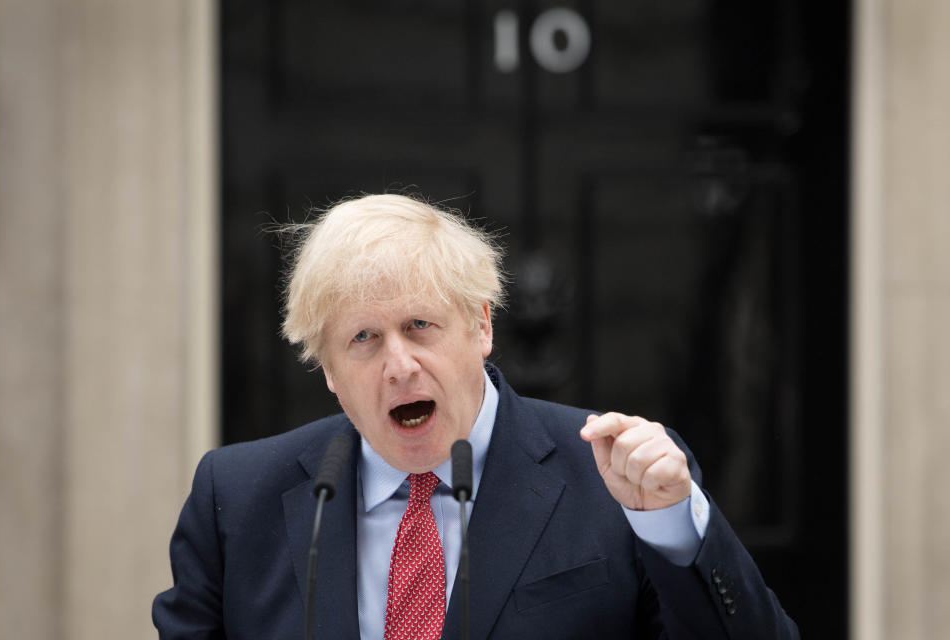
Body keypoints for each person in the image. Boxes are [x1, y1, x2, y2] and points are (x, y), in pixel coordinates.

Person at [153, 194, 798, 638]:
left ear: (482, 325)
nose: (399, 365)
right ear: (328, 371)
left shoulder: (613, 480)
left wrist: (673, 532)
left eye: (419, 326)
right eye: (363, 340)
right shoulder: (236, 499)